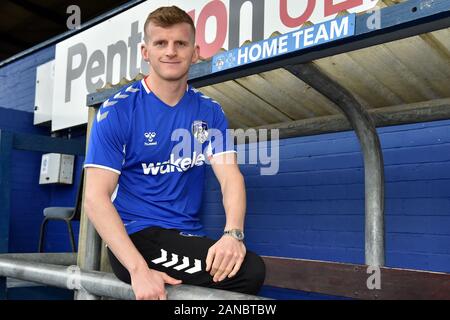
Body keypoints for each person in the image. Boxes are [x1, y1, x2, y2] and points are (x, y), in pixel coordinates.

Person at [83, 6, 265, 300]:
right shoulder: (119, 110)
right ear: (145, 51)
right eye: (160, 43)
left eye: (180, 43)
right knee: (250, 272)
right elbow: (94, 198)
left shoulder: (209, 112)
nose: (171, 51)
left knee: (236, 265)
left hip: (185, 235)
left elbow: (231, 177)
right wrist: (138, 269)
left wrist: (233, 234)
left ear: (195, 52)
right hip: (136, 238)